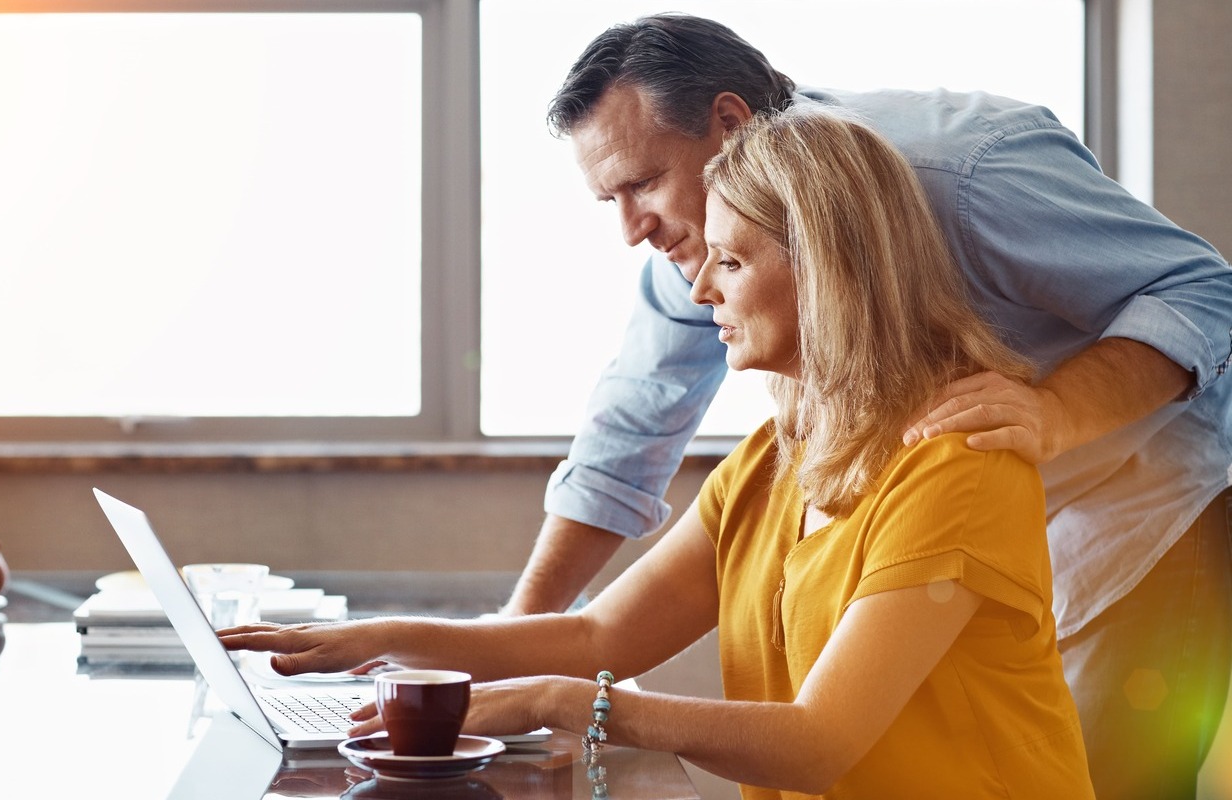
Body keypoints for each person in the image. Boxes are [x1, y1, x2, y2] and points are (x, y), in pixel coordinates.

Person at [223, 106, 1097, 799]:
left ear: (830, 269)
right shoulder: (771, 461)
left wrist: (558, 704)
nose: (699, 283)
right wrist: (377, 641)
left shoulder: (959, 470)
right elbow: (601, 634)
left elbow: (821, 743)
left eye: (731, 260)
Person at [500, 13, 1232, 798]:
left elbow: (1201, 292)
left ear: (728, 121)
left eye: (642, 183)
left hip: (1138, 509)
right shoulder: (703, 240)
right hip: (955, 520)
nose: (631, 229)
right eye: (609, 198)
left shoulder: (965, 170)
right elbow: (632, 428)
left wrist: (1051, 413)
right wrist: (516, 646)